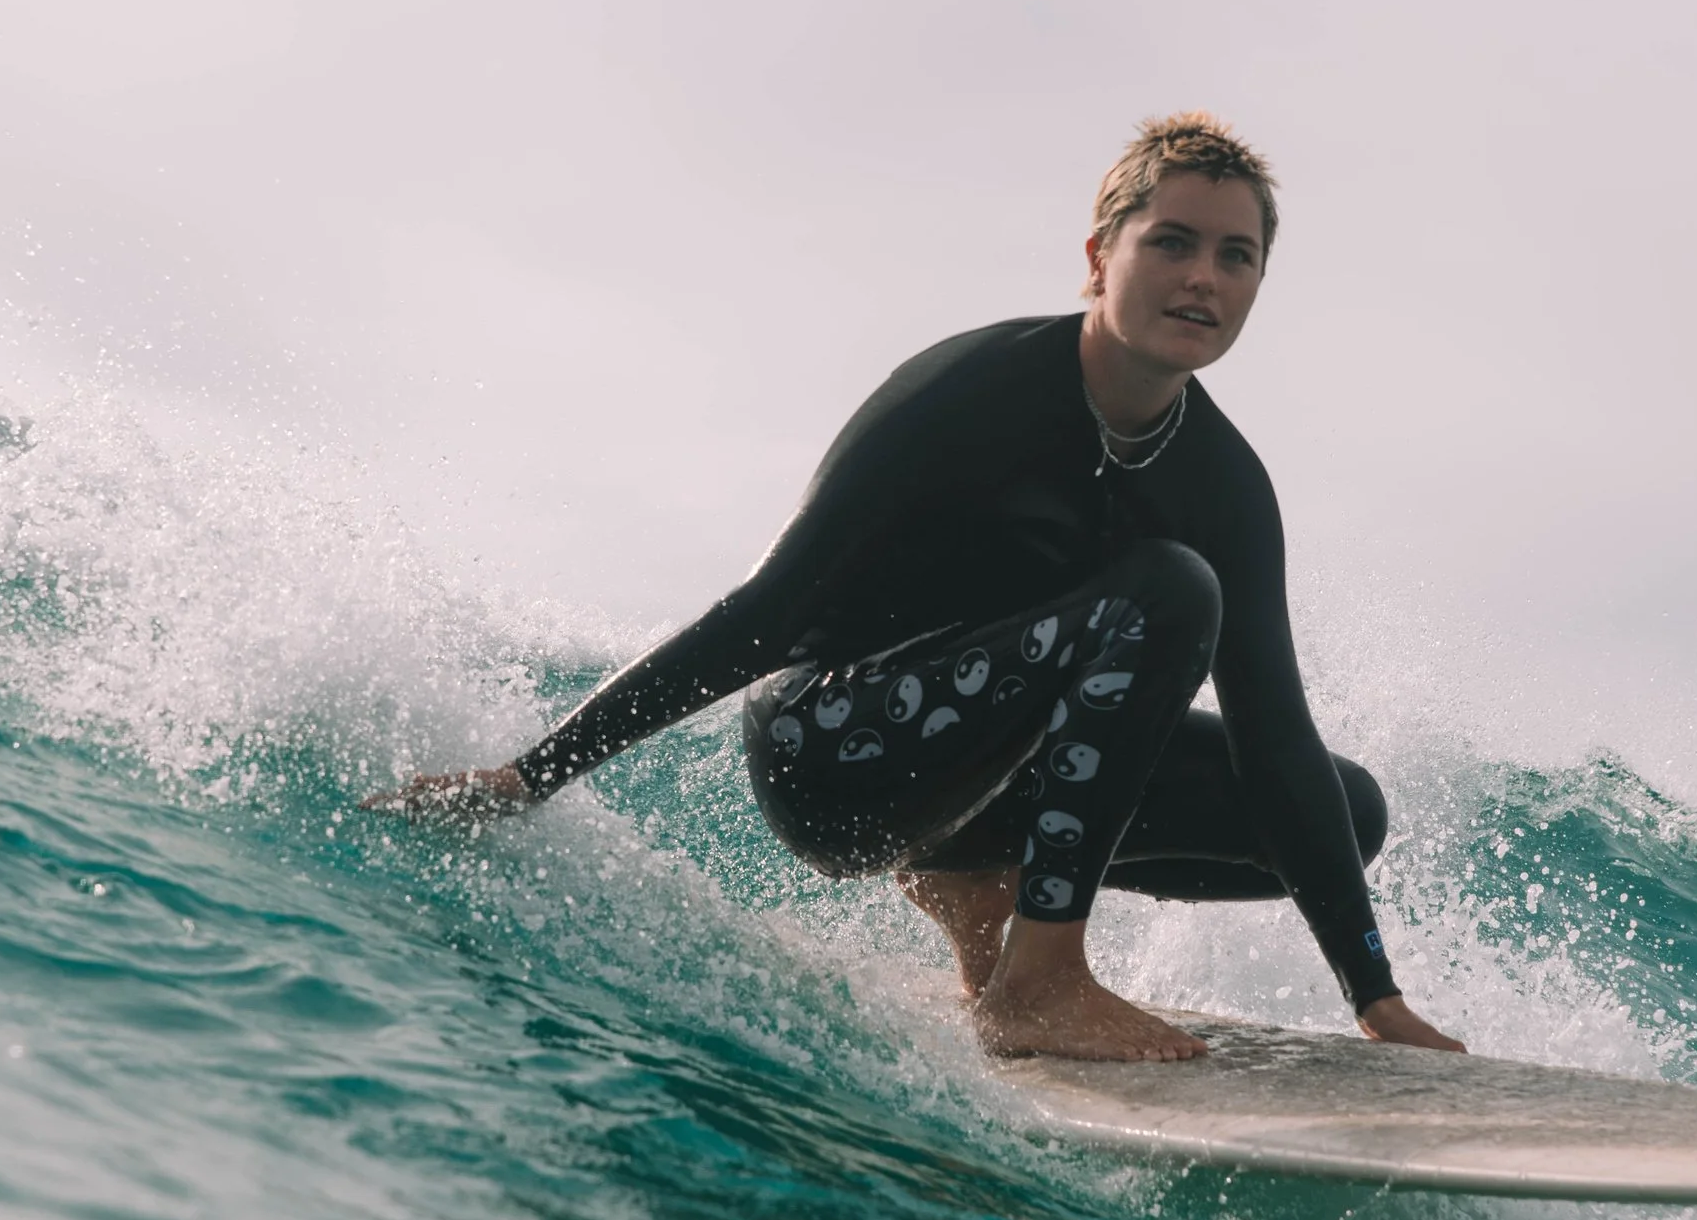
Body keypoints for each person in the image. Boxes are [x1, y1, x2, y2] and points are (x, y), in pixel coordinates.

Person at [365, 112, 1464, 1064]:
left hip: (971, 774)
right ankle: (1039, 982)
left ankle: (970, 880)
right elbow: (764, 615)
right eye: (1170, 242)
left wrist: (1376, 998)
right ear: (1097, 255)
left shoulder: (1223, 484)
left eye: (1236, 257)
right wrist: (530, 775)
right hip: (831, 749)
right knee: (1162, 594)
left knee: (1341, 804)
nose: (1202, 278)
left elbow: (1273, 739)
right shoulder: (969, 394)